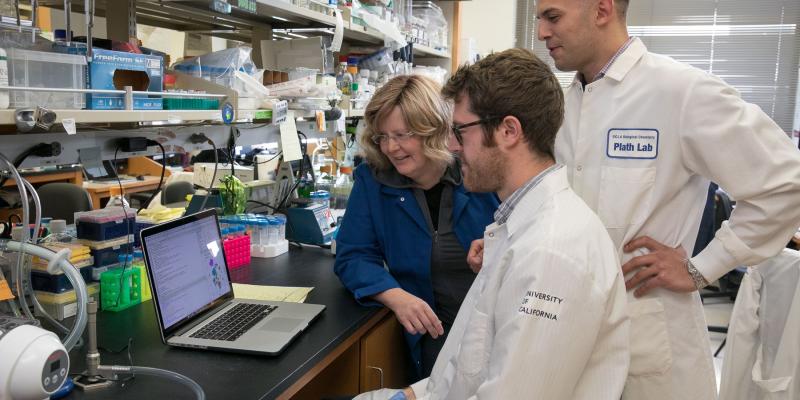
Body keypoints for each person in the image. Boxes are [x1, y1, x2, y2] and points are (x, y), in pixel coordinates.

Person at [532, 0, 800, 398]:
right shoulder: (563, 106)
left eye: (552, 17)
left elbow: (785, 183)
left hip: (649, 336)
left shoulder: (680, 92)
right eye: (538, 19)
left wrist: (703, 267)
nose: (541, 33)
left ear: (602, 10)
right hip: (571, 332)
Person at [357, 48, 630, 400]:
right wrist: (413, 395)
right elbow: (475, 360)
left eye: (460, 131)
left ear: (508, 131)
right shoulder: (515, 225)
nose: (451, 145)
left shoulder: (551, 252)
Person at [334, 74, 498, 379]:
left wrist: (500, 247)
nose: (391, 148)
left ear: (432, 129)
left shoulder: (478, 173)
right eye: (382, 136)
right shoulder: (374, 181)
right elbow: (353, 255)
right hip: (432, 335)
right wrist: (395, 295)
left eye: (402, 134)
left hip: (492, 329)